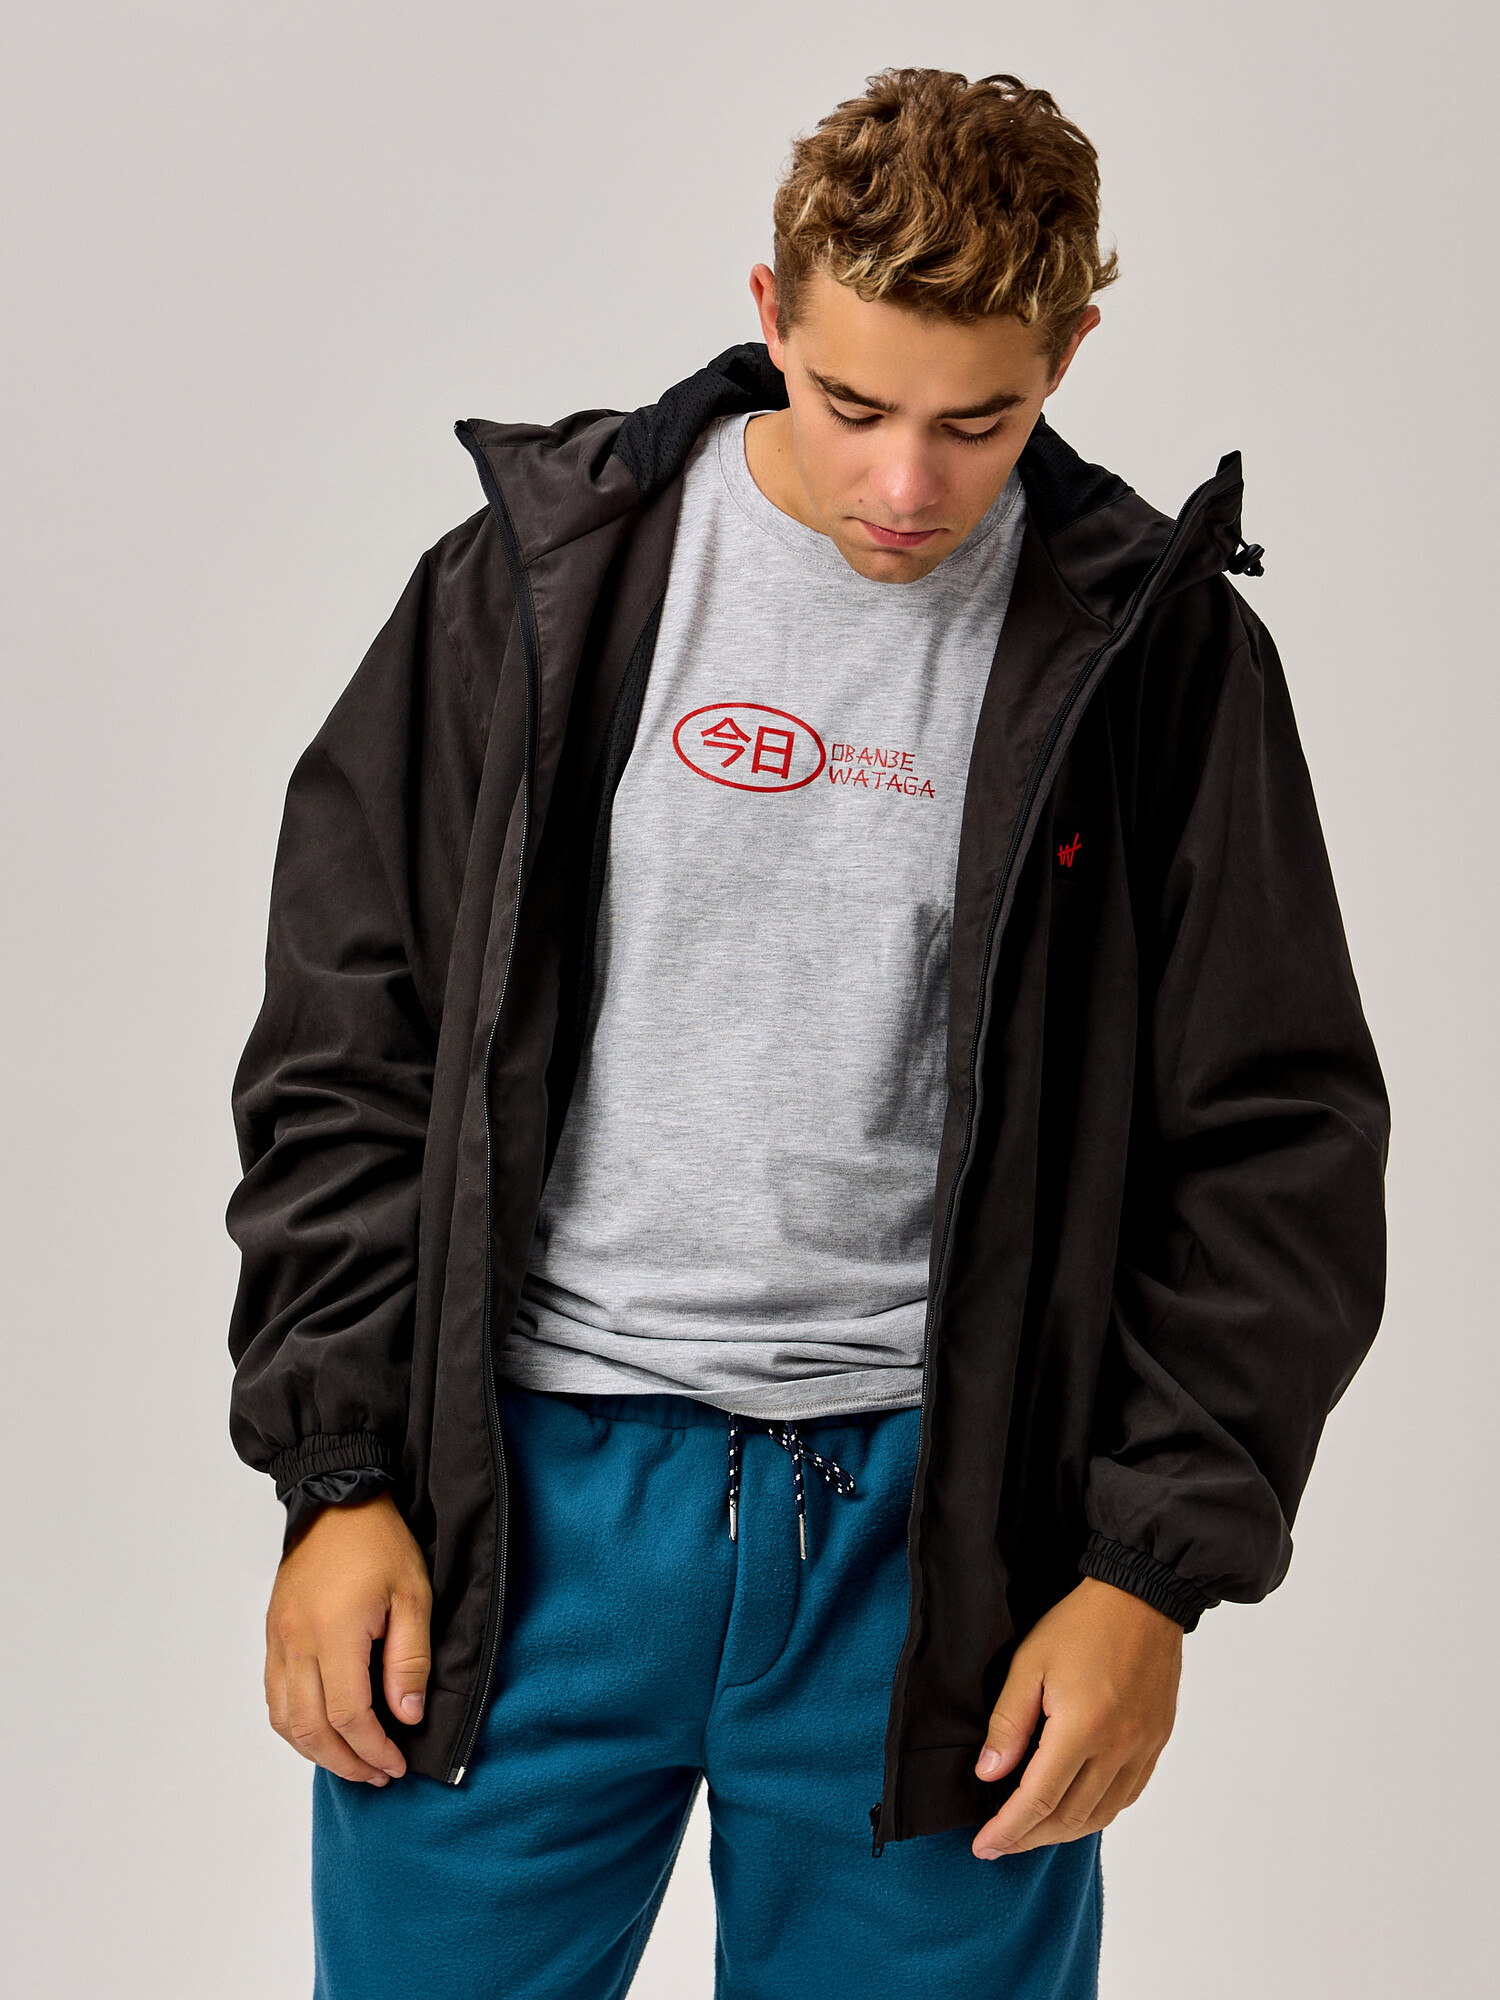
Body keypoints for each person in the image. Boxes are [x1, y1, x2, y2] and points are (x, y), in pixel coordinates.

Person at [226, 66, 1390, 2000]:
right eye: (853, 406)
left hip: (937, 1554)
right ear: (770, 312)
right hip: (521, 1523)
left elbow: (1274, 1137)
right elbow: (349, 1047)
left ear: (1071, 354)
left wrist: (1147, 1574)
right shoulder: (538, 585)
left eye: (979, 422)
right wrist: (339, 1476)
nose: (906, 488)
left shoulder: (1155, 658)